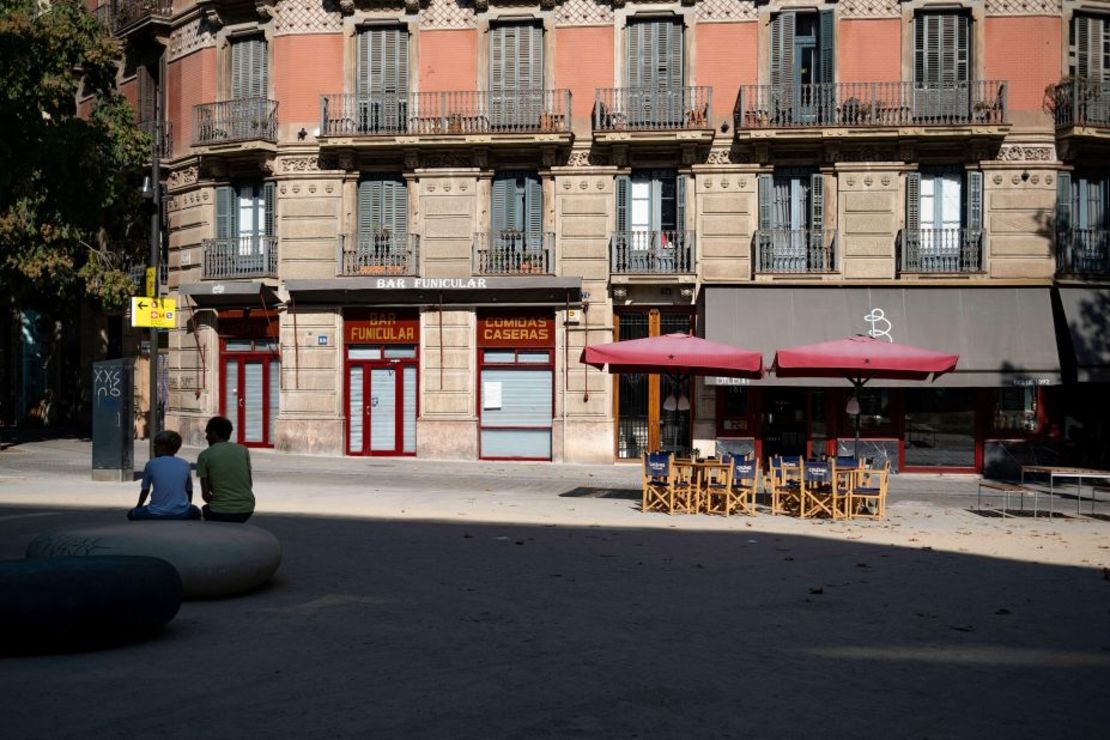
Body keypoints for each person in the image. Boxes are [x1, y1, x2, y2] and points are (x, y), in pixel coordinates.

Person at [128, 430, 201, 521]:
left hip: (155, 513)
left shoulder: (151, 464)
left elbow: (145, 489)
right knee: (197, 511)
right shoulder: (185, 464)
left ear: (162, 447)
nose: (154, 447)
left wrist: (138, 507)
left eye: (156, 445)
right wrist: (188, 505)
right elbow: (189, 490)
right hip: (181, 513)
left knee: (131, 514)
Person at [196, 416, 255, 523]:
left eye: (208, 433)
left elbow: (205, 495)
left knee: (205, 509)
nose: (206, 437)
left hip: (219, 512)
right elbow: (249, 483)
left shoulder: (204, 455)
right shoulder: (243, 450)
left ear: (214, 433)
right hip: (247, 509)